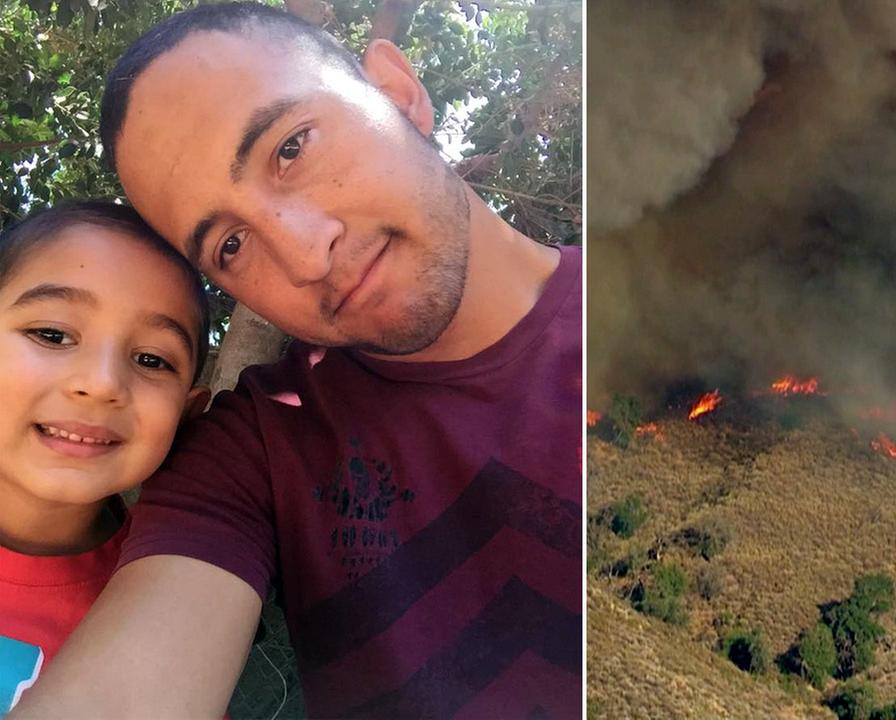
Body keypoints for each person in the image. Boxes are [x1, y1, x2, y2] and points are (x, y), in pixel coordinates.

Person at [13, 3, 582, 719]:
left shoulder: (699, 316)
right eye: (230, 246)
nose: (309, 254)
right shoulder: (256, 451)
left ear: (397, 91)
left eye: (291, 148)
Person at [0, 201, 210, 716]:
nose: (101, 384)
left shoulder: (163, 616)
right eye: (52, 334)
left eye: (151, 360)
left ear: (186, 417)